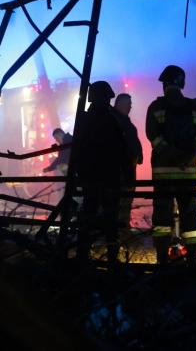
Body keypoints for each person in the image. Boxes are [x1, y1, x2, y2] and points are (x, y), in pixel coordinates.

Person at [146, 65, 196, 263]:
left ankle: (162, 259)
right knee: (190, 215)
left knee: (162, 217)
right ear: (182, 83)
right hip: (187, 172)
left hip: (163, 173)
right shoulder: (195, 108)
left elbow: (152, 136)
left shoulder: (156, 107)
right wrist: (188, 156)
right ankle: (192, 259)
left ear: (164, 84)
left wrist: (171, 155)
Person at [73, 81, 128, 261]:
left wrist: (80, 175)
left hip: (90, 178)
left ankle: (83, 253)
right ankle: (112, 257)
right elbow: (121, 149)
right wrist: (125, 175)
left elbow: (78, 150)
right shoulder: (111, 120)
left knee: (89, 216)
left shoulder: (83, 120)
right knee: (110, 218)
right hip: (109, 178)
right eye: (107, 98)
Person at [112, 93, 143, 234]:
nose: (130, 107)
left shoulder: (126, 122)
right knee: (117, 204)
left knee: (125, 203)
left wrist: (137, 156)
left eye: (130, 104)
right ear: (118, 104)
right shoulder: (114, 121)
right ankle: (116, 234)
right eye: (127, 104)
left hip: (128, 171)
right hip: (119, 173)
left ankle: (121, 231)